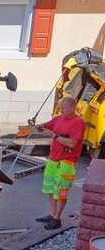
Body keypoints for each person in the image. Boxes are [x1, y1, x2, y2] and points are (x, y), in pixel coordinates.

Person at [35, 96, 85, 230]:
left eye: (64, 108)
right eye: (60, 108)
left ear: (73, 108)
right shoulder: (58, 119)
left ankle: (57, 218)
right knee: (51, 188)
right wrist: (38, 127)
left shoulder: (78, 122)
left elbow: (73, 143)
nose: (61, 111)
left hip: (66, 161)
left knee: (61, 191)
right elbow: (46, 125)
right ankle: (52, 214)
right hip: (53, 159)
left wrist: (54, 135)